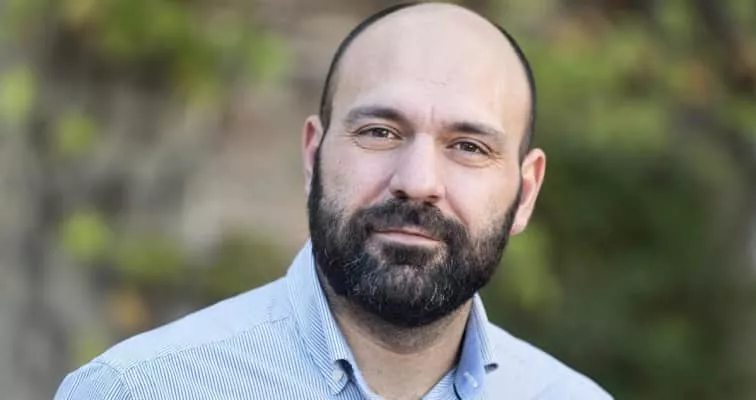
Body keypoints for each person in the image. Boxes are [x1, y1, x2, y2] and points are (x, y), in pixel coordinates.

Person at [54, 2, 612, 399]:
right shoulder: (137, 389)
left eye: (468, 146)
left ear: (526, 192)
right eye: (379, 132)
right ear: (312, 155)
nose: (418, 181)